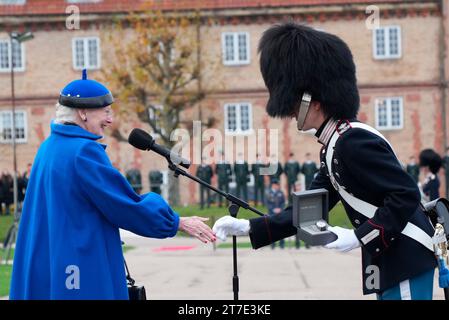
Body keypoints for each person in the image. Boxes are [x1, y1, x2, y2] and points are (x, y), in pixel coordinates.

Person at [213, 23, 436, 300]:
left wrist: (359, 237)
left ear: (312, 100)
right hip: (391, 257)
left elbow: (405, 195)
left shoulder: (352, 141)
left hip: (405, 256)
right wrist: (251, 227)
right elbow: (309, 208)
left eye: (294, 104)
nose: (291, 113)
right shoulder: (335, 144)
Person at [10, 70, 215, 300]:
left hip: (51, 264)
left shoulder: (48, 147)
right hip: (79, 268)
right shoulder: (83, 152)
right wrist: (177, 222)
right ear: (83, 113)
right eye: (106, 112)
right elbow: (125, 205)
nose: (110, 119)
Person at [266, 179, 285, 249]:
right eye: (276, 185)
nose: (277, 186)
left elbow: (283, 202)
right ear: (273, 185)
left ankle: (282, 244)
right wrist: (273, 209)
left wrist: (280, 209)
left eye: (278, 185)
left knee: (281, 228)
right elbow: (268, 203)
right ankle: (273, 244)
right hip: (272, 213)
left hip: (280, 213)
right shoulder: (269, 193)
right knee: (272, 229)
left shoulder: (281, 193)